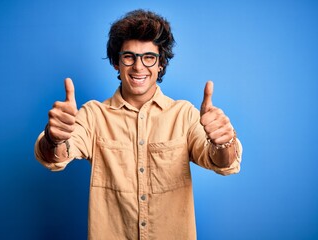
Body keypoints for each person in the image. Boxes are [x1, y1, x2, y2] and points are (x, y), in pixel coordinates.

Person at [34, 9, 242, 240]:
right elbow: (55, 157)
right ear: (116, 62)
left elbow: (222, 164)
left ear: (160, 63)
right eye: (129, 56)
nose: (139, 67)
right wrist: (55, 138)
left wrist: (225, 142)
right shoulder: (94, 115)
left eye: (149, 57)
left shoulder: (183, 115)